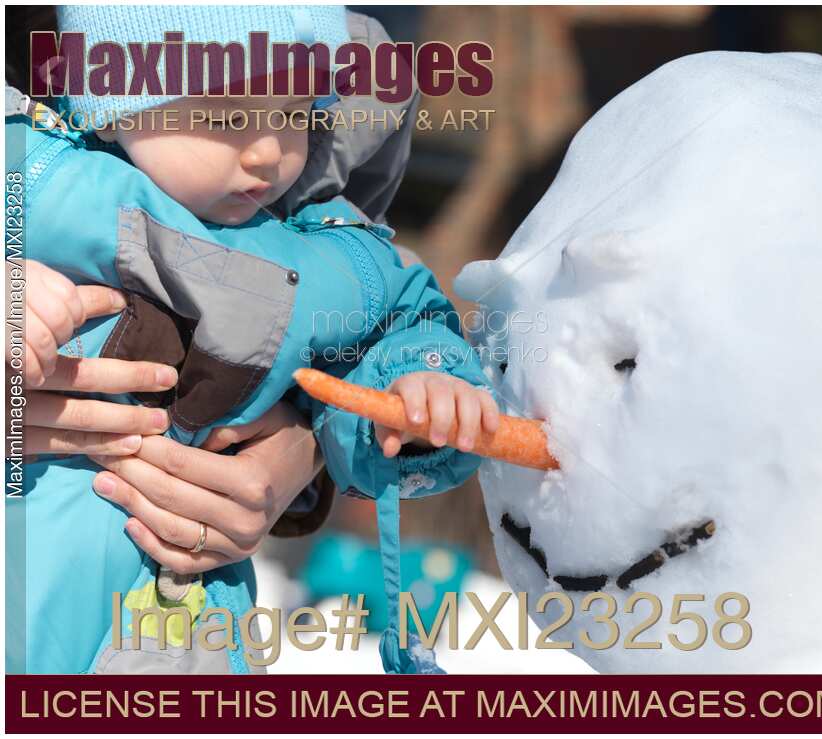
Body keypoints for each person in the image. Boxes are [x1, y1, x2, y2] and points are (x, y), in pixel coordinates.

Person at [9, 5, 499, 675]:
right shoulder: (32, 188)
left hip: (175, 637)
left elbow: (394, 325)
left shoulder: (322, 247)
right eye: (222, 114)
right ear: (110, 104)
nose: (268, 151)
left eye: (297, 111)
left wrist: (420, 391)